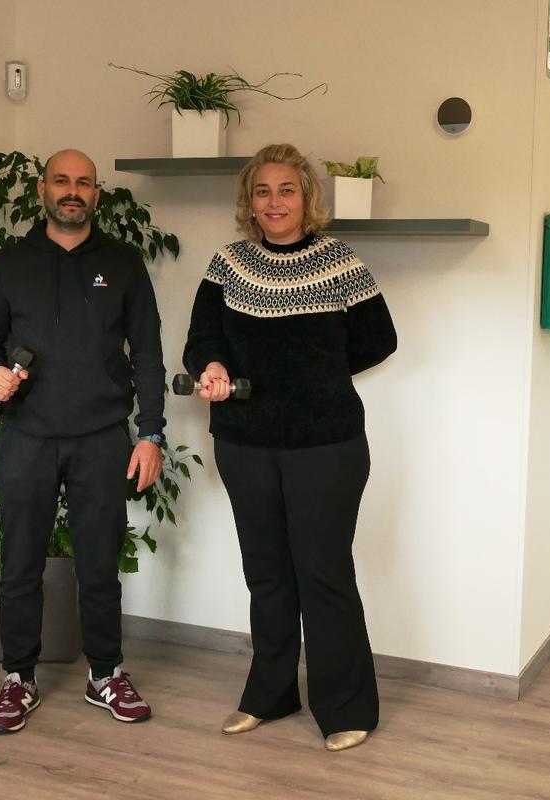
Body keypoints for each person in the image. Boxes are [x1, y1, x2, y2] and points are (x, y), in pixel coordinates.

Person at [182, 143, 397, 752]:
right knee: (267, 575)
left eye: (287, 190)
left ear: (307, 197)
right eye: (263, 191)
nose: (274, 202)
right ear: (249, 201)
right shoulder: (228, 264)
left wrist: (317, 378)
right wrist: (215, 364)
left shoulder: (339, 262)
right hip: (244, 444)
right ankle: (270, 693)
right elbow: (201, 340)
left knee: (323, 573)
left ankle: (347, 707)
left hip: (326, 446)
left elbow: (379, 339)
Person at [0, 148, 166, 735]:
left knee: (99, 563)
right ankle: (17, 679)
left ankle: (105, 674)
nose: (72, 190)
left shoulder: (124, 264)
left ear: (97, 195)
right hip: (26, 436)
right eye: (61, 181)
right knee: (20, 564)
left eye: (84, 182)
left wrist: (150, 432)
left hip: (102, 438)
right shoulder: (8, 263)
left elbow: (148, 352)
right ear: (42, 191)